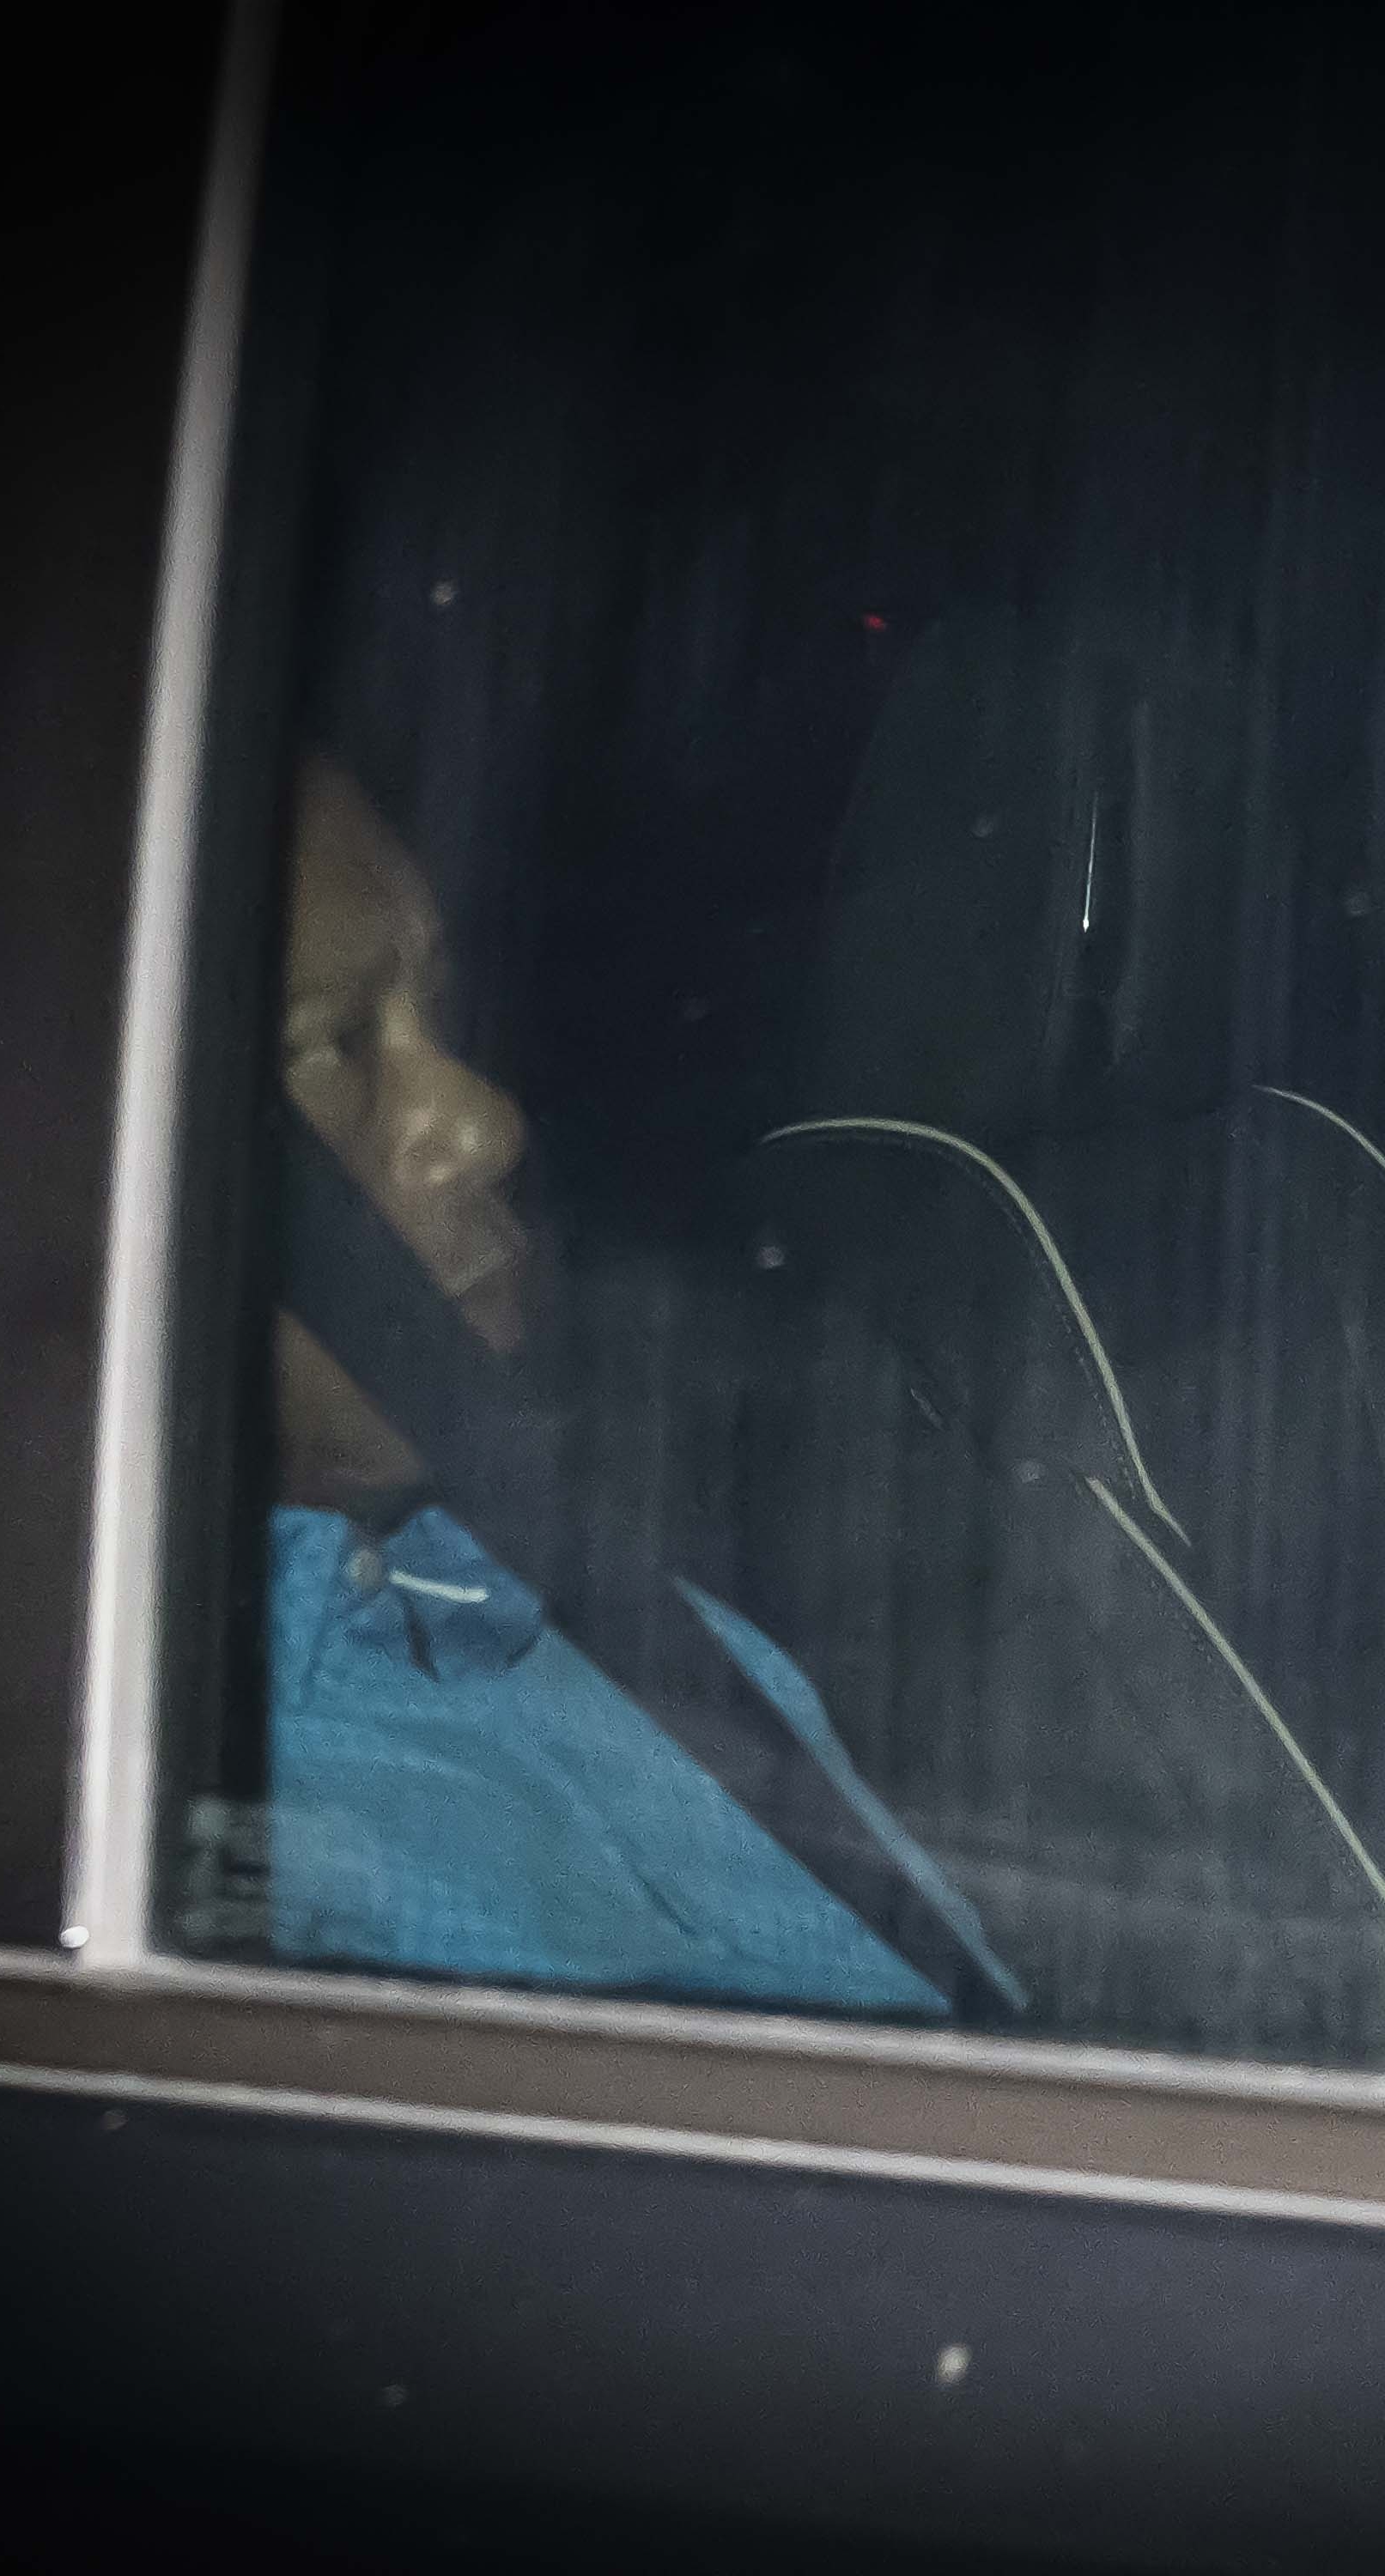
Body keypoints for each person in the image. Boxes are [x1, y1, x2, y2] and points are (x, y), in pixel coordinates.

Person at [260, 754, 978, 2015]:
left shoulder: (603, 1615)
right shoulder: (251, 1867)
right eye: (334, 1047)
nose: (487, 1123)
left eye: (439, 1013)